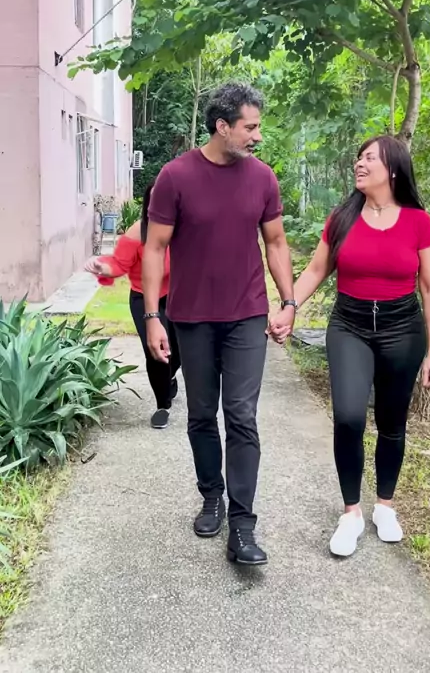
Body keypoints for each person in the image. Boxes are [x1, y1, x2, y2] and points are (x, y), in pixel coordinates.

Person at [142, 82, 295, 567]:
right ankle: (212, 497)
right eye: (250, 127)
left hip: (247, 314)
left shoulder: (263, 178)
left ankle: (243, 523)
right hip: (191, 317)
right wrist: (152, 316)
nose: (257, 136)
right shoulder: (175, 176)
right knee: (202, 414)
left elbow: (275, 243)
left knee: (242, 415)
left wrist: (288, 302)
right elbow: (154, 248)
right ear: (222, 126)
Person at [270, 135, 430, 557]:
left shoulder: (418, 222)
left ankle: (385, 506)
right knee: (348, 417)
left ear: (393, 169)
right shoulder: (343, 217)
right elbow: (316, 269)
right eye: (358, 158)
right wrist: (289, 307)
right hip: (350, 325)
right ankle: (351, 513)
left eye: (369, 158)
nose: (359, 164)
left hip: (403, 329)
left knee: (392, 421)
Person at [85, 184, 181, 430]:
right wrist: (102, 267)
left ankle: (170, 375)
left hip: (176, 296)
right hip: (143, 297)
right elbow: (119, 264)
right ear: (149, 206)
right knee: (157, 351)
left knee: (180, 349)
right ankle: (162, 405)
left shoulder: (184, 230)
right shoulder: (138, 232)